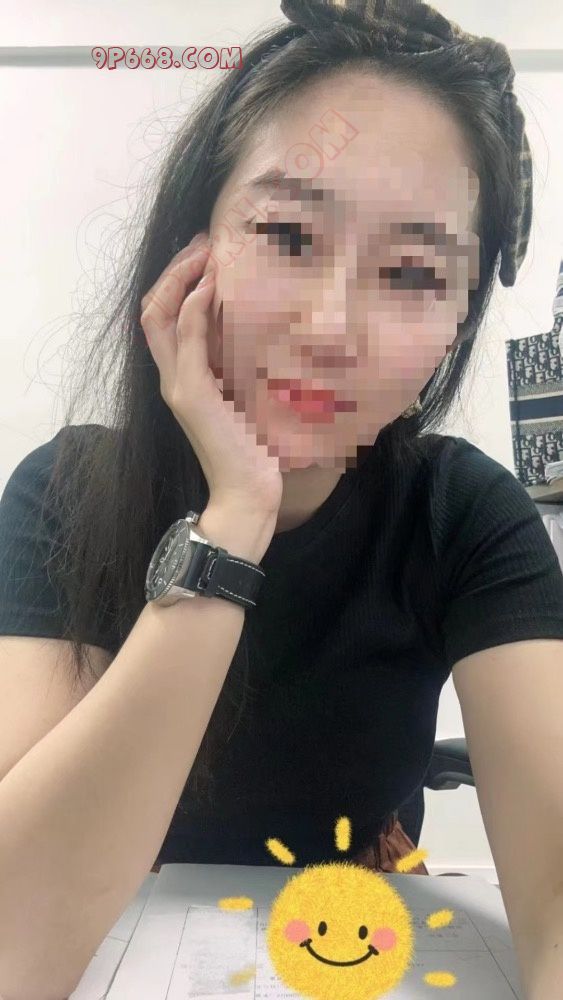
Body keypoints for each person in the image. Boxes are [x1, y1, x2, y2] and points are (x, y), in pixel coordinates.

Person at [1, 2, 563, 997]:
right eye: (287, 234)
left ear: (457, 321)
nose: (329, 326)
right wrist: (232, 523)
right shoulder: (68, 492)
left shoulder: (463, 515)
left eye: (411, 272)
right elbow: (15, 936)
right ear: (187, 254)